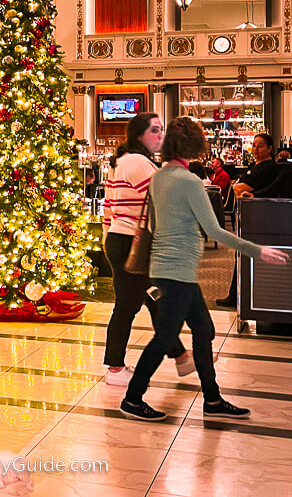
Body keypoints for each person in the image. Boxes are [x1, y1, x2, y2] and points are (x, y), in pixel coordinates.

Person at [120, 118, 288, 421]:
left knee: (203, 330)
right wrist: (258, 251)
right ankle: (133, 398)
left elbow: (156, 226)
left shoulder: (159, 177)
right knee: (165, 337)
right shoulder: (189, 181)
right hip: (177, 272)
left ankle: (212, 399)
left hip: (164, 269)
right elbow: (215, 230)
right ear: (194, 146)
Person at [102, 113, 193, 386]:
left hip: (124, 240)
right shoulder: (137, 162)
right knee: (130, 305)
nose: (160, 136)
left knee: (155, 300)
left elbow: (109, 208)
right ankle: (115, 368)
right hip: (134, 242)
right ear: (139, 134)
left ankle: (182, 357)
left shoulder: (121, 163)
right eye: (155, 130)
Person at [216, 133, 286, 307]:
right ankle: (235, 294)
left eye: (260, 145)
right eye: (254, 145)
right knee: (242, 253)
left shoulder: (267, 168)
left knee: (246, 253)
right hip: (249, 215)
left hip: (259, 217)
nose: (255, 149)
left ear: (270, 148)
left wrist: (239, 188)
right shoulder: (255, 167)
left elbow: (239, 188)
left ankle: (239, 295)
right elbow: (236, 189)